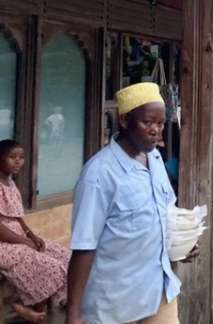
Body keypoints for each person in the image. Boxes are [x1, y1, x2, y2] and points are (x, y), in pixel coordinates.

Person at [66, 83, 196, 324]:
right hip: (115, 304)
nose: (156, 131)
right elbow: (84, 246)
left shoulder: (155, 159)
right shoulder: (99, 174)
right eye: (148, 122)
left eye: (160, 123)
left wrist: (180, 244)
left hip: (159, 292)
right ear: (125, 120)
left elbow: (166, 213)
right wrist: (73, 313)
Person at [0, 140, 70, 323]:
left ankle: (38, 307)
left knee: (62, 254)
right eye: (12, 157)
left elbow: (16, 215)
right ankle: (30, 310)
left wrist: (31, 235)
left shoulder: (10, 183)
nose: (18, 162)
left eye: (21, 157)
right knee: (48, 265)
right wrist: (24, 242)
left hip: (18, 239)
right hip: (4, 244)